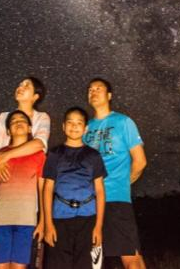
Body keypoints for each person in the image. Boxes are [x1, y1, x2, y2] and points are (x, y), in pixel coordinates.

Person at [83, 78, 147, 269]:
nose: (93, 92)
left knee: (130, 256)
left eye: (98, 88)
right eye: (90, 89)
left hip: (115, 200)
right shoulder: (84, 128)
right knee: (93, 260)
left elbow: (140, 161)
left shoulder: (123, 121)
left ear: (109, 95)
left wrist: (122, 184)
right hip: (89, 202)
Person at [43, 107, 106, 269]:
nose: (74, 126)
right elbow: (48, 188)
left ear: (85, 128)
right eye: (70, 122)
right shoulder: (54, 154)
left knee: (84, 264)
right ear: (63, 126)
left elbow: (99, 190)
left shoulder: (93, 155)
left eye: (79, 123)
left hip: (88, 218)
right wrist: (48, 224)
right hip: (59, 218)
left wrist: (98, 227)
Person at [0, 110, 46, 268]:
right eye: (13, 121)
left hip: (26, 221)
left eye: (22, 120)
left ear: (30, 128)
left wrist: (43, 221)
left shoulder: (39, 155)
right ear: (8, 131)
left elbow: (42, 189)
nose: (18, 122)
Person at [0, 77, 51, 182]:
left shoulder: (42, 117)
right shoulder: (3, 117)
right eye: (20, 84)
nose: (20, 87)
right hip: (2, 174)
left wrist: (4, 156)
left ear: (35, 96)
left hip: (29, 175)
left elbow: (39, 143)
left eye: (26, 85)